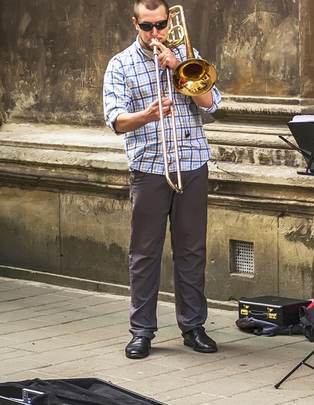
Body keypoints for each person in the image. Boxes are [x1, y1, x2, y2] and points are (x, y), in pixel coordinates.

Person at [102, 0, 221, 359]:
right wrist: (148, 115)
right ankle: (141, 331)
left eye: (161, 25)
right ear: (134, 24)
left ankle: (193, 327)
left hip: (192, 163)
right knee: (144, 254)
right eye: (147, 26)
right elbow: (115, 119)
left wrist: (178, 65)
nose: (156, 34)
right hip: (150, 168)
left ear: (170, 22)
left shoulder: (187, 54)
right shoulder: (120, 64)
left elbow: (211, 104)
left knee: (192, 251)